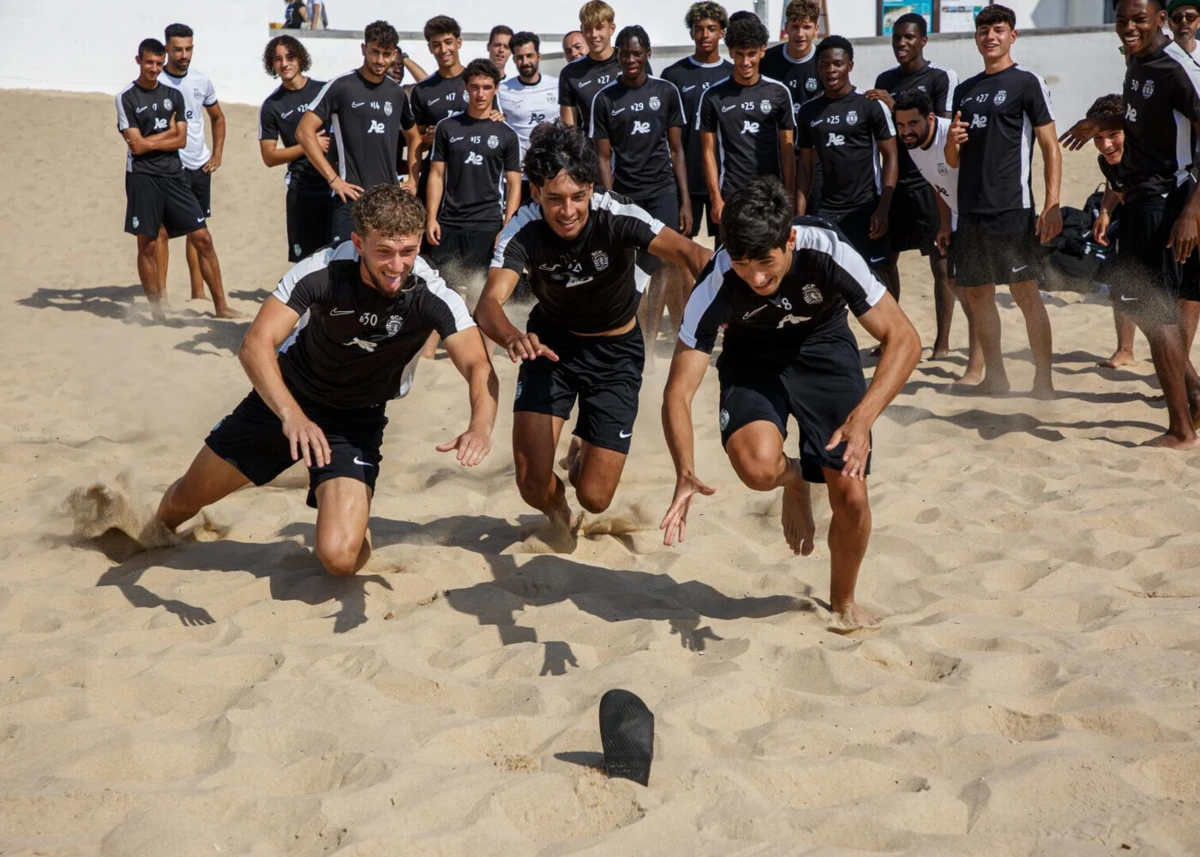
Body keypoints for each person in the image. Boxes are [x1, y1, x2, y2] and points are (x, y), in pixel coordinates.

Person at [142, 185, 497, 575]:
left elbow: (478, 364)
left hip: (354, 420)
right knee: (186, 498)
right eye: (384, 252)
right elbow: (255, 345)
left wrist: (479, 427)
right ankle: (150, 536)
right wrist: (292, 417)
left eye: (407, 252)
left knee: (339, 559)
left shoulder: (429, 292)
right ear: (358, 242)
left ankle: (353, 525)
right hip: (283, 403)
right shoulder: (323, 270)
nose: (397, 267)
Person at [662, 177, 920, 630]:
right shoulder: (718, 279)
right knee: (759, 469)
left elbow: (904, 339)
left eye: (766, 261)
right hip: (752, 356)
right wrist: (684, 469)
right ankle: (796, 479)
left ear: (790, 240)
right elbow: (678, 391)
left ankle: (843, 602)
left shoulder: (827, 249)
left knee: (852, 499)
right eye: (743, 265)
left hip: (822, 344)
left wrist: (862, 420)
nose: (757, 278)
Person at [474, 122, 712, 540]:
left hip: (616, 352)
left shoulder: (616, 214)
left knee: (596, 497)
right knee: (531, 483)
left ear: (591, 188)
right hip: (549, 347)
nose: (567, 211)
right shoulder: (521, 228)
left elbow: (693, 253)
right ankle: (558, 511)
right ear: (535, 194)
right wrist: (512, 336)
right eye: (554, 199)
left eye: (577, 197)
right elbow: (488, 303)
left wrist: (723, 305)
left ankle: (585, 443)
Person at [1061, 0, 1200, 448]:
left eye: (1139, 19)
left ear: (1161, 20)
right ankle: (1193, 398)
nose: (1129, 27)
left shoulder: (1177, 68)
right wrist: (1106, 121)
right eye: (1122, 19)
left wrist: (1190, 213)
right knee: (1151, 309)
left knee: (1157, 313)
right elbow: (1151, 118)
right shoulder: (1138, 62)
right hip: (1142, 201)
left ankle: (1181, 429)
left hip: (1167, 203)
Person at [945, 3, 1061, 398]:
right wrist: (950, 143)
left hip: (1012, 208)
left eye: (998, 30)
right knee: (978, 295)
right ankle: (996, 376)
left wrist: (1052, 202)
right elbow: (952, 161)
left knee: (1024, 293)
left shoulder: (1027, 83)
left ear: (1013, 35)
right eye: (983, 31)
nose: (989, 37)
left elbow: (1050, 145)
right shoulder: (963, 90)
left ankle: (1043, 379)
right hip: (971, 211)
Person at [116, 38, 235, 321]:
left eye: (158, 63)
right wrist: (161, 138)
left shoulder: (173, 95)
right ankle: (157, 309)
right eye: (149, 63)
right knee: (150, 244)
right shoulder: (126, 97)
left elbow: (181, 139)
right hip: (142, 177)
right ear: (138, 61)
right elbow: (135, 145)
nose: (154, 68)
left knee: (203, 237)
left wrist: (150, 142)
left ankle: (221, 306)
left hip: (174, 174)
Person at [592, 26, 691, 360]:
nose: (630, 60)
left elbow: (677, 151)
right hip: (627, 195)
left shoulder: (665, 91)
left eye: (636, 53)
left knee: (668, 262)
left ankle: (669, 334)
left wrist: (685, 201)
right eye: (624, 53)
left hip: (662, 189)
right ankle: (641, 339)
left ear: (647, 53)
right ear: (617, 55)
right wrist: (608, 201)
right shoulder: (605, 99)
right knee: (634, 266)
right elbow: (603, 157)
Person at [867, 13, 960, 356]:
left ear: (923, 40)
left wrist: (893, 106)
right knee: (885, 261)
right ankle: (894, 334)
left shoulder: (939, 77)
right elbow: (885, 134)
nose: (901, 44)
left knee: (939, 263)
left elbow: (943, 128)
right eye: (896, 38)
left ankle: (943, 342)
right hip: (894, 181)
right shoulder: (884, 78)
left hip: (930, 182)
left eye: (908, 37)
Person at [297, 20, 421, 246]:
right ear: (364, 49)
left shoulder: (396, 93)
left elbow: (414, 137)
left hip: (388, 201)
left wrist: (413, 180)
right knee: (344, 268)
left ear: (394, 54)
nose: (380, 60)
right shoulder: (342, 86)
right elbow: (304, 132)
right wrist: (334, 179)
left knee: (385, 269)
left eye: (386, 54)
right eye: (375, 52)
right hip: (350, 198)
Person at [892, 89, 984, 384]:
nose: (906, 131)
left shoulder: (951, 134)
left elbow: (975, 173)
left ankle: (976, 367)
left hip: (979, 213)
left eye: (913, 124)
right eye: (900, 125)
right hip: (956, 216)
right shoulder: (912, 142)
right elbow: (937, 182)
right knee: (957, 284)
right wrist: (944, 224)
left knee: (976, 291)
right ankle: (985, 351)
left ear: (930, 118)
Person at [796, 36, 898, 290]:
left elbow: (891, 156)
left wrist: (883, 208)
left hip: (866, 208)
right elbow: (806, 166)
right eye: (824, 65)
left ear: (850, 66)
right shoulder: (808, 112)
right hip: (828, 210)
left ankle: (894, 330)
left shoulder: (869, 105)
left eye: (837, 64)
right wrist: (798, 214)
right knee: (824, 280)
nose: (831, 70)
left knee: (880, 275)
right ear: (817, 68)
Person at [426, 59, 522, 288]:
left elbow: (513, 184)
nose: (480, 93)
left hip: (486, 225)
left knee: (478, 291)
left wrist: (507, 227)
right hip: (449, 223)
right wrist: (431, 218)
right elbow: (436, 176)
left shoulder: (506, 134)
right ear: (466, 87)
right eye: (475, 87)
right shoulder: (447, 127)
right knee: (443, 289)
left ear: (496, 89)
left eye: (487, 87)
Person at [697, 13, 795, 227]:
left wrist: (788, 196)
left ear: (762, 51)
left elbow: (787, 149)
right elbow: (707, 151)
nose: (745, 62)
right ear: (731, 52)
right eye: (739, 54)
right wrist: (716, 199)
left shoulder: (779, 92)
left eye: (751, 54)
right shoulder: (713, 96)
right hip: (732, 194)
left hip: (770, 196)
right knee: (732, 259)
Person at [160, 24, 230, 307]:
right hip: (169, 169)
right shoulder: (158, 82)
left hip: (199, 167)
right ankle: (161, 299)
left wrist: (217, 154)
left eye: (188, 48)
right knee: (161, 232)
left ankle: (198, 292)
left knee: (197, 230)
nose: (184, 54)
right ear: (167, 48)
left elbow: (218, 117)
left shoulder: (202, 81)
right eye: (177, 49)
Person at [259, 35, 334, 263]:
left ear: (300, 58)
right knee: (307, 261)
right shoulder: (272, 105)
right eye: (278, 59)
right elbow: (269, 156)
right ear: (272, 65)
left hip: (335, 184)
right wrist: (308, 146)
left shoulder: (325, 90)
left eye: (290, 57)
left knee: (339, 255)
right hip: (302, 189)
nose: (285, 64)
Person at [662, 2, 733, 241]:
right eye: (698, 28)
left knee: (728, 250)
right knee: (681, 250)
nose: (704, 34)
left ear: (722, 32)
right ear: (691, 31)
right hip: (686, 180)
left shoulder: (732, 74)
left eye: (711, 28)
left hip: (723, 182)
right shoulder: (674, 75)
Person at [1084, 94, 1138, 369]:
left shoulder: (1149, 155)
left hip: (1171, 222)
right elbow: (1112, 183)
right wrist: (1105, 211)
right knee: (1121, 281)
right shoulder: (1106, 160)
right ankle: (1125, 349)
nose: (1105, 145)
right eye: (1098, 137)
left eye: (1114, 134)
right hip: (1131, 219)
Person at [410, 16, 470, 203]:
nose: (443, 50)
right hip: (435, 176)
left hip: (472, 174)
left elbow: (494, 123)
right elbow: (415, 138)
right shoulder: (422, 90)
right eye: (436, 44)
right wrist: (427, 140)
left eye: (448, 42)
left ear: (458, 42)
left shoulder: (478, 82)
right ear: (429, 48)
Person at [499, 32, 560, 204]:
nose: (525, 62)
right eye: (519, 57)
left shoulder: (557, 85)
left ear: (539, 56)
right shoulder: (503, 90)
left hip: (552, 171)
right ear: (513, 60)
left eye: (529, 56)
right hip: (520, 176)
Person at [559, 1, 620, 130]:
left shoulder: (630, 62)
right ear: (582, 30)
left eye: (599, 27)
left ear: (612, 28)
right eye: (588, 29)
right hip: (591, 149)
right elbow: (569, 130)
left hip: (631, 148)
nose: (593, 35)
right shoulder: (570, 73)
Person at [761, 0, 823, 121]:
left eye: (806, 27)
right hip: (777, 135)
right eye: (795, 27)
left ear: (816, 29)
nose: (800, 34)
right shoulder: (766, 59)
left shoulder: (824, 60)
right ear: (786, 28)